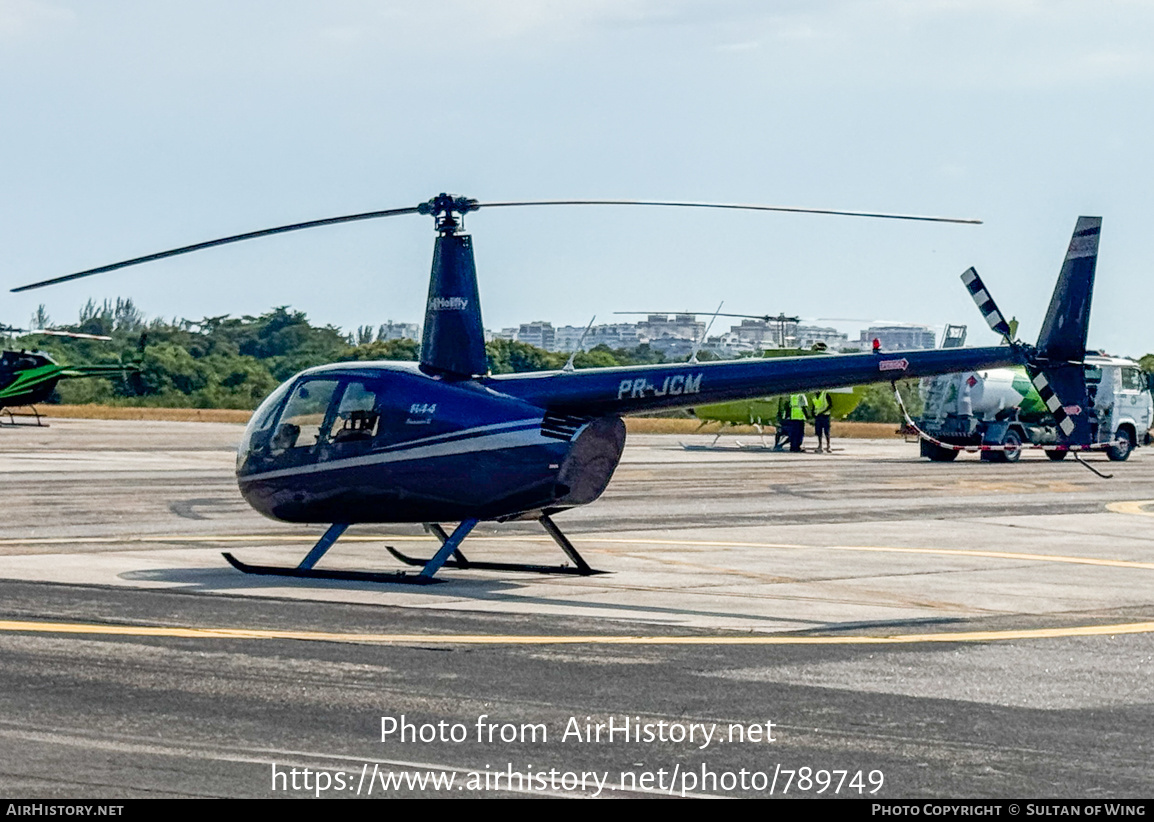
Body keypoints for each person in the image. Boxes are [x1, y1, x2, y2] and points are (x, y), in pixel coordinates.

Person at [812, 389, 832, 453]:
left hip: (825, 416)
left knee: (826, 432)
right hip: (818, 416)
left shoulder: (825, 394)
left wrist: (823, 411)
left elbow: (830, 405)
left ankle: (828, 446)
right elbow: (814, 406)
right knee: (819, 432)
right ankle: (820, 446)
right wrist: (813, 413)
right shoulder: (814, 397)